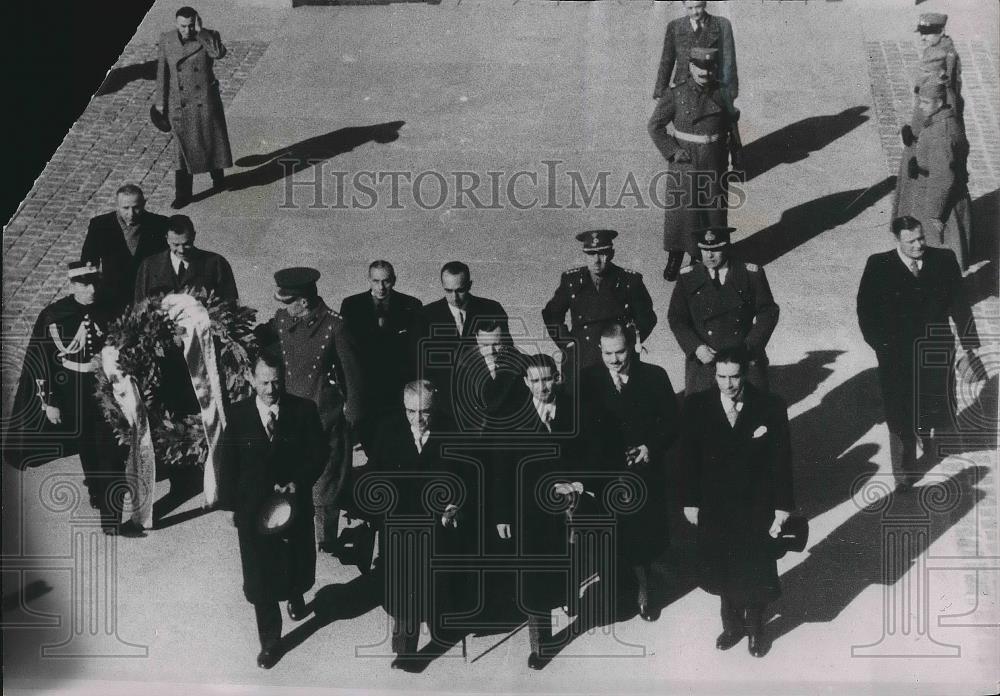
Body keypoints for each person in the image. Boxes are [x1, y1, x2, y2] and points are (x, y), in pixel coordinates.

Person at [680, 348, 795, 658]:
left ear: (744, 374)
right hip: (715, 504)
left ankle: (756, 628)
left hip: (756, 504)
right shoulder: (697, 406)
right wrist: (690, 501)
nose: (727, 384)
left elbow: (781, 460)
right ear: (713, 374)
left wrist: (783, 506)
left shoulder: (769, 406)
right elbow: (688, 459)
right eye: (721, 376)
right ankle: (732, 625)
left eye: (733, 376)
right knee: (723, 566)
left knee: (755, 566)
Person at [217, 350, 328, 670]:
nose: (270, 389)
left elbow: (319, 452)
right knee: (259, 577)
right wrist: (228, 506)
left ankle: (295, 592)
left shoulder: (303, 410)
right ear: (251, 379)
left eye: (277, 381)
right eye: (264, 382)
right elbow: (229, 462)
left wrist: (299, 481)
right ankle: (270, 641)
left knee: (295, 565)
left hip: (293, 506)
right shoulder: (238, 416)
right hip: (254, 511)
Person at [2, 262, 129, 535]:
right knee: (87, 445)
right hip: (72, 392)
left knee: (109, 448)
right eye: (84, 285)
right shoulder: (54, 316)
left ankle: (111, 518)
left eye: (94, 283)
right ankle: (96, 488)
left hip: (106, 388)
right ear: (72, 286)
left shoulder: (111, 308)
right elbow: (41, 362)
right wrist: (49, 402)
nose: (91, 290)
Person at [857, 216, 981, 489]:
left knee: (933, 402)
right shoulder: (879, 265)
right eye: (910, 241)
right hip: (896, 356)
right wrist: (882, 347)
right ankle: (904, 471)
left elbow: (960, 306)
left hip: (936, 351)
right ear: (897, 240)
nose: (918, 245)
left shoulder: (944, 260)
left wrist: (970, 347)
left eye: (921, 238)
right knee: (900, 412)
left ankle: (928, 435)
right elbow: (866, 312)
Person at [489, 354, 592, 670]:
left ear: (557, 377)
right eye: (535, 380)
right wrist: (503, 514)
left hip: (568, 508)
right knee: (535, 576)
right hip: (530, 512)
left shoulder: (576, 410)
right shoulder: (514, 417)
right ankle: (541, 644)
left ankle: (570, 596)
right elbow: (503, 470)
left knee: (570, 562)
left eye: (547, 379)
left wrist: (577, 483)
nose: (542, 386)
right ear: (525, 382)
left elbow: (591, 454)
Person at [359, 380, 469, 671]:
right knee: (405, 589)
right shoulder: (388, 431)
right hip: (400, 526)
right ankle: (405, 652)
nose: (417, 419)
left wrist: (456, 503)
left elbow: (465, 476)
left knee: (435, 587)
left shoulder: (452, 432)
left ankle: (440, 629)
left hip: (437, 527)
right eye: (411, 411)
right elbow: (374, 474)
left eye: (425, 412)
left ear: (436, 406)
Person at [256, 267, 365, 555]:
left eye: (289, 302)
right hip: (290, 415)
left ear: (304, 301)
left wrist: (352, 419)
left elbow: (353, 377)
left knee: (324, 484)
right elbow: (272, 345)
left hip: (323, 417)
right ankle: (291, 529)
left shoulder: (335, 326)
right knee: (291, 478)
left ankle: (325, 539)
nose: (284, 308)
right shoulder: (283, 320)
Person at [580, 323, 679, 622]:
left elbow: (673, 423)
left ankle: (645, 590)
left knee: (642, 536)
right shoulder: (588, 379)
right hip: (606, 472)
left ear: (632, 346)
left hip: (644, 472)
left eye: (620, 351)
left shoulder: (654, 376)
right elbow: (582, 429)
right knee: (612, 536)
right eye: (607, 353)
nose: (614, 359)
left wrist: (651, 446)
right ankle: (619, 590)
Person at [649, 47, 739, 280]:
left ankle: (704, 256)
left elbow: (731, 126)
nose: (704, 72)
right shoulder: (676, 94)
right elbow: (655, 126)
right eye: (699, 67)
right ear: (690, 66)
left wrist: (737, 156)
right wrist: (673, 151)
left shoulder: (722, 92)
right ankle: (675, 256)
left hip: (714, 160)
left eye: (709, 68)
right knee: (682, 213)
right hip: (685, 161)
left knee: (712, 211)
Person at [667, 226, 778, 395]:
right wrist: (696, 347)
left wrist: (750, 346)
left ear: (727, 247)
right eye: (704, 250)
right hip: (705, 360)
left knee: (754, 411)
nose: (709, 256)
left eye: (715, 250)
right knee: (699, 413)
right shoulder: (688, 277)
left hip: (742, 357)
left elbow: (768, 312)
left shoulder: (750, 274)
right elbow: (676, 317)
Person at [542, 230, 657, 379]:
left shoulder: (630, 280)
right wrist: (567, 343)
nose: (596, 260)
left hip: (617, 359)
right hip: (582, 358)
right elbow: (551, 314)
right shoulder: (571, 280)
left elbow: (647, 317)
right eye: (591, 254)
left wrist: (627, 342)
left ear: (611, 254)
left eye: (602, 253)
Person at [155, 6, 234, 209]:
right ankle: (183, 194)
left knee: (211, 142)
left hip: (204, 103)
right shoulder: (166, 40)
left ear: (196, 23)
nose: (187, 30)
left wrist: (201, 31)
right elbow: (162, 73)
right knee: (181, 153)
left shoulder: (208, 36)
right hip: (179, 105)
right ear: (176, 24)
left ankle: (219, 181)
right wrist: (160, 103)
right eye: (183, 26)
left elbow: (218, 53)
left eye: (191, 26)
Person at [339, 260, 422, 447]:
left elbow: (415, 352)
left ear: (394, 280)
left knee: (397, 442)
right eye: (376, 281)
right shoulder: (352, 305)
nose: (381, 287)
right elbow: (346, 351)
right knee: (370, 441)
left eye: (386, 281)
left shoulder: (411, 305)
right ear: (369, 280)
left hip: (398, 390)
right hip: (366, 389)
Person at [892, 81, 973, 271]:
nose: (920, 106)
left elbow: (943, 178)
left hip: (938, 199)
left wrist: (934, 214)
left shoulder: (940, 134)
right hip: (937, 193)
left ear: (939, 102)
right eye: (920, 101)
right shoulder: (943, 120)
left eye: (925, 102)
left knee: (937, 246)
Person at [418, 261, 510, 410]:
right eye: (448, 291)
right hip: (444, 402)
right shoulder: (425, 315)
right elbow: (420, 363)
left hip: (486, 400)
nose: (454, 297)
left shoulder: (492, 308)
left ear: (469, 285)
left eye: (460, 290)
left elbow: (507, 352)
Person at [81, 183, 169, 315]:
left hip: (149, 296)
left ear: (144, 203)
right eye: (125, 208)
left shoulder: (159, 224)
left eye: (136, 207)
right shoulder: (100, 226)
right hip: (113, 296)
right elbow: (88, 262)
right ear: (117, 206)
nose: (131, 213)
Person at [652, 0, 738, 112]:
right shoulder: (675, 26)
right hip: (683, 88)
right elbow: (666, 61)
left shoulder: (722, 24)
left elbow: (729, 61)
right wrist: (660, 91)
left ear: (705, 4)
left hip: (712, 88)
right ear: (684, 5)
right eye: (690, 8)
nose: (694, 12)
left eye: (698, 7)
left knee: (712, 125)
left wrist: (730, 92)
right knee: (685, 126)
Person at [133, 214, 238, 302]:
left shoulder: (216, 263)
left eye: (186, 244)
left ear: (194, 236)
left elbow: (230, 303)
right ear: (167, 239)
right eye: (175, 244)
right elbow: (140, 307)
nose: (181, 250)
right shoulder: (149, 266)